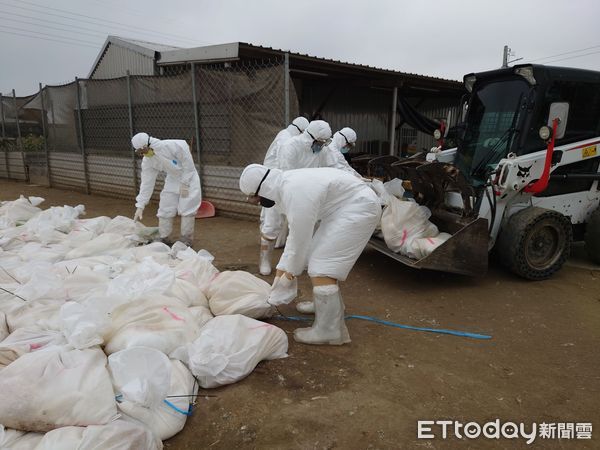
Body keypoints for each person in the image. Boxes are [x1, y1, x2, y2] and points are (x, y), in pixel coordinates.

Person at [239, 164, 382, 345]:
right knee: (318, 258)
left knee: (322, 267)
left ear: (262, 189)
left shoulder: (294, 191)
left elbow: (299, 238)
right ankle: (325, 308)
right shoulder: (284, 185)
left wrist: (288, 274)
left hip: (359, 208)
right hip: (345, 208)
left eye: (255, 198)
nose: (258, 202)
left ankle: (329, 331)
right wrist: (282, 271)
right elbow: (296, 237)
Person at [131, 132, 201, 247]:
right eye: (140, 152)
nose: (143, 154)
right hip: (172, 179)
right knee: (165, 206)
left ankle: (186, 239)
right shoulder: (148, 161)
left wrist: (185, 183)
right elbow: (147, 183)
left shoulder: (173, 146)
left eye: (143, 150)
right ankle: (164, 237)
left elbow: (188, 165)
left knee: (187, 208)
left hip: (189, 178)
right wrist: (140, 204)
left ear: (149, 144)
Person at [259, 117, 309, 276]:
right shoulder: (286, 140)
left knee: (292, 224)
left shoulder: (290, 139)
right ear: (301, 131)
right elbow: (286, 167)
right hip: (275, 187)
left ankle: (293, 261)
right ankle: (264, 260)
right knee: (271, 224)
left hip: (288, 187)